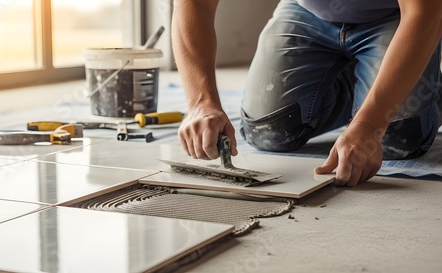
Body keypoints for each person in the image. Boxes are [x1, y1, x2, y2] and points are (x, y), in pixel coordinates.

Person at [171, 0, 442, 187]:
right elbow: (195, 3)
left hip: (397, 14)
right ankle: (357, 85)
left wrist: (370, 125)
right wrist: (201, 102)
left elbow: (424, 13)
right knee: (269, 130)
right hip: (308, 12)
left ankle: (427, 91)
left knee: (394, 139)